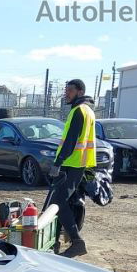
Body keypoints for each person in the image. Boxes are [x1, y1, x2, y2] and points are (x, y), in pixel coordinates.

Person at [47, 78, 96, 258]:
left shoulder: (79, 111)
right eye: (66, 90)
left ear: (80, 92)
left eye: (70, 91)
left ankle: (77, 242)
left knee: (58, 201)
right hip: (77, 164)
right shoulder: (88, 111)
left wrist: (58, 163)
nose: (66, 94)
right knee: (60, 201)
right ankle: (56, 243)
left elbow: (70, 141)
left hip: (71, 164)